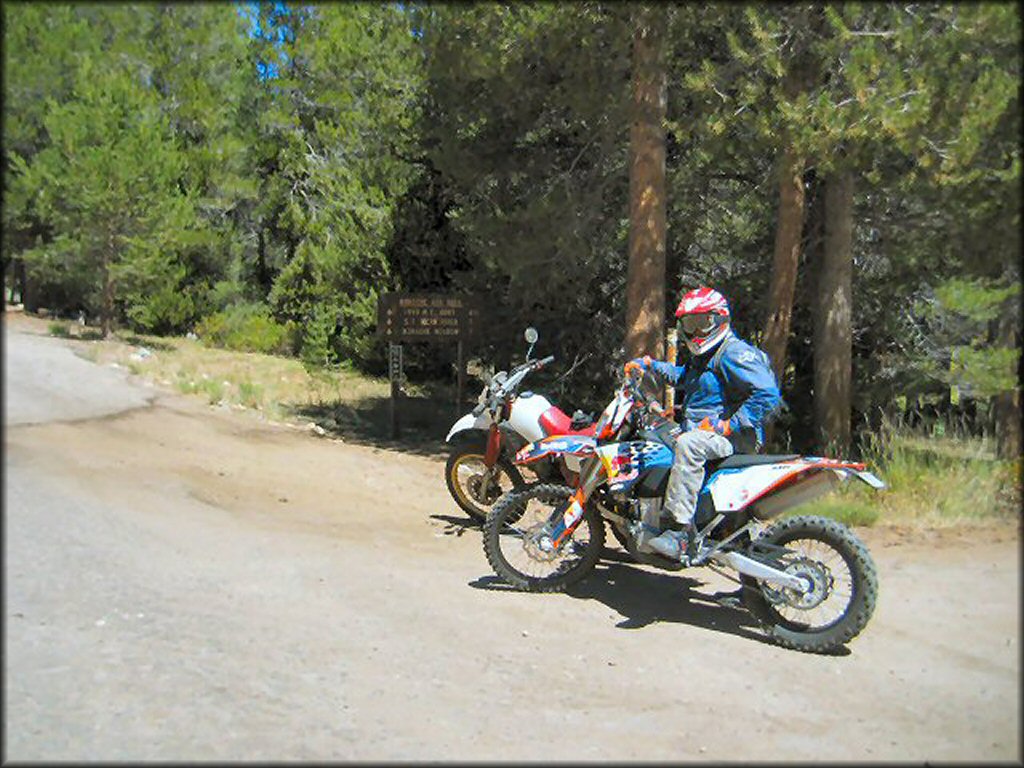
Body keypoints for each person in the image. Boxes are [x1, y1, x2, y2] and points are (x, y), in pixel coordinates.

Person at [624, 286, 782, 563]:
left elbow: (767, 394)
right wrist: (650, 365)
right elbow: (684, 376)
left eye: (703, 323)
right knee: (658, 438)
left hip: (734, 438)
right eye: (690, 324)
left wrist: (729, 425)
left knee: (688, 444)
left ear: (720, 320)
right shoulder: (706, 356)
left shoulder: (734, 353)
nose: (696, 332)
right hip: (711, 433)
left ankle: (679, 533)